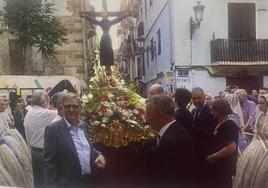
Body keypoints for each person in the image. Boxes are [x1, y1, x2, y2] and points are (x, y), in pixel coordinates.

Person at [43, 93, 106, 188]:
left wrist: (98, 154)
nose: (71, 109)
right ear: (61, 108)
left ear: (80, 108)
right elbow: (49, 165)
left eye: (75, 106)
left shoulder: (84, 126)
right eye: (67, 106)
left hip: (90, 182)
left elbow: (86, 147)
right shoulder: (53, 129)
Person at [144, 94, 195, 187]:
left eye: (148, 115)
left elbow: (169, 176)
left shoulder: (175, 139)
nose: (146, 120)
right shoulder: (173, 131)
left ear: (162, 116)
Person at [24, 90, 57, 188]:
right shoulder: (46, 113)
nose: (49, 102)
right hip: (44, 152)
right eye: (48, 99)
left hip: (34, 151)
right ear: (43, 101)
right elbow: (63, 113)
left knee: (38, 180)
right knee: (49, 180)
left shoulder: (29, 113)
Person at [206, 98, 239, 188]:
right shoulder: (218, 123)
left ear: (221, 111)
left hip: (225, 165)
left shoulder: (230, 125)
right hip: (218, 165)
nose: (211, 112)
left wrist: (214, 156)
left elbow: (232, 147)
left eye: (213, 110)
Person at [191, 88, 217, 161]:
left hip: (206, 151)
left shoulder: (210, 112)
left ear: (204, 97)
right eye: (194, 98)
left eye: (199, 98)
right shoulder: (193, 111)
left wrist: (192, 128)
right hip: (195, 150)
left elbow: (211, 132)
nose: (196, 101)